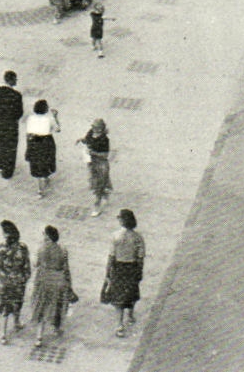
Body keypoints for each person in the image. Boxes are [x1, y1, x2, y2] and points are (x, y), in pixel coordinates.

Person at [0, 220, 32, 345]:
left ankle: (3, 334)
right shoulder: (22, 247)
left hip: (5, 283)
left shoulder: (2, 249)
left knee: (5, 309)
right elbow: (27, 266)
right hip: (18, 282)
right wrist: (24, 278)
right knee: (17, 302)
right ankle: (17, 322)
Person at [103, 210, 146, 338]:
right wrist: (140, 270)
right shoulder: (138, 237)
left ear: (121, 221)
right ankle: (131, 315)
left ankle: (119, 325)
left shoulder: (115, 236)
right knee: (131, 292)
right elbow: (140, 257)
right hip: (132, 267)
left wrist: (108, 272)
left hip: (118, 267)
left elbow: (111, 256)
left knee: (118, 296)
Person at [30, 226, 74, 344]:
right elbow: (66, 268)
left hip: (44, 279)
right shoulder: (63, 250)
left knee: (42, 306)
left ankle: (39, 336)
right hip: (58, 280)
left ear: (48, 237)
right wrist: (69, 285)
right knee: (57, 304)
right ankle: (56, 328)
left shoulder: (41, 249)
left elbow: (35, 264)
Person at [0, 72, 24, 179]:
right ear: (11, 80)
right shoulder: (16, 95)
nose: (16, 81)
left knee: (1, 143)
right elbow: (19, 112)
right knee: (11, 148)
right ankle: (7, 172)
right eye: (15, 79)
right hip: (10, 126)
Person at [25, 99, 60, 198]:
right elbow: (58, 129)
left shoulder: (30, 118)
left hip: (34, 143)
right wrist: (55, 117)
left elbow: (28, 133)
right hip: (46, 142)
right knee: (46, 160)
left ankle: (40, 188)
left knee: (37, 163)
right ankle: (45, 179)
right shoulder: (49, 119)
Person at [79, 118, 113, 216]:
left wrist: (93, 153)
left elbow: (105, 155)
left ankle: (97, 206)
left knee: (98, 185)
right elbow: (87, 140)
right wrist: (82, 140)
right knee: (97, 182)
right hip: (91, 162)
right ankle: (105, 193)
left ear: (100, 128)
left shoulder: (104, 139)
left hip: (101, 164)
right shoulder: (90, 132)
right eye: (92, 126)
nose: (93, 128)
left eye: (95, 127)